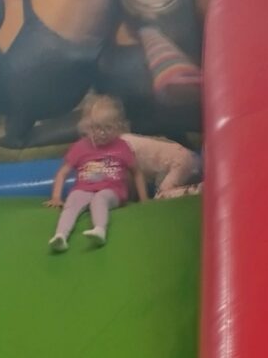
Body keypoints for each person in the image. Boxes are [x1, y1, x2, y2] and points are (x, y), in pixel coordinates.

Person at [50, 95, 140, 251]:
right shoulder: (80, 147)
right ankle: (60, 236)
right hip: (84, 188)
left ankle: (100, 230)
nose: (102, 133)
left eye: (108, 128)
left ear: (118, 127)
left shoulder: (122, 147)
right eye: (97, 128)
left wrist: (143, 199)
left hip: (113, 190)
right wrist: (56, 197)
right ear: (88, 127)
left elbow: (137, 173)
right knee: (72, 201)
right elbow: (62, 173)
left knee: (100, 199)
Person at [122, 128, 202, 199]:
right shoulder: (126, 138)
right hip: (186, 157)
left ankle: (199, 189)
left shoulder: (122, 145)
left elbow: (132, 177)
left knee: (161, 196)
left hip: (179, 162)